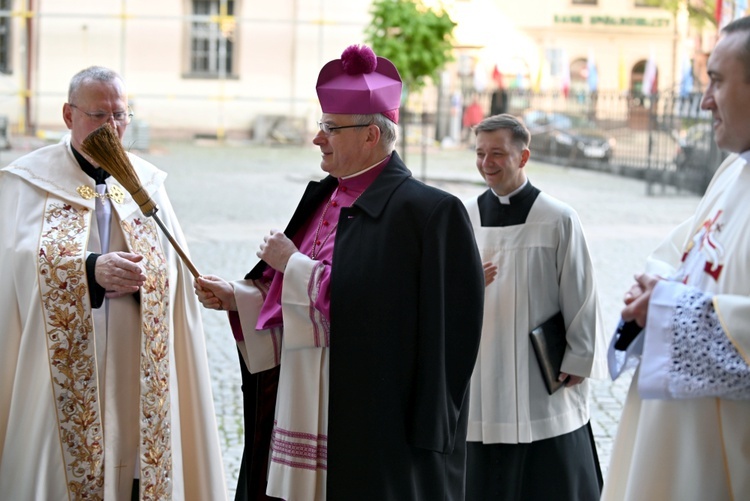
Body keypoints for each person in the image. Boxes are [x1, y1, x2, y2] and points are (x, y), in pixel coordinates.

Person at [195, 44, 485, 501]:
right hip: (300, 397)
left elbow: (395, 319)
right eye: (320, 126)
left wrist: (291, 263)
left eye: (330, 128)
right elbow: (300, 293)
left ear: (371, 135)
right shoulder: (323, 197)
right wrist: (240, 296)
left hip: (372, 418)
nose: (318, 139)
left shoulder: (429, 212)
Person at [0, 66, 227, 500]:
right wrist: (89, 270)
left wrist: (150, 276)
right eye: (99, 116)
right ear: (69, 115)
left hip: (135, 362)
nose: (113, 127)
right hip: (59, 370)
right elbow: (13, 263)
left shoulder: (148, 183)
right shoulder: (28, 182)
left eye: (120, 116)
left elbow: (171, 268)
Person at [602, 16, 750, 500]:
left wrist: (671, 311)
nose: (705, 100)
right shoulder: (733, 170)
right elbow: (686, 256)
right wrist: (651, 291)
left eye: (718, 81)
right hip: (671, 440)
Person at [464, 113, 607, 501]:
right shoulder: (465, 217)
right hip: (483, 365)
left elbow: (581, 291)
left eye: (497, 153)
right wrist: (467, 282)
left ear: (523, 156)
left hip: (538, 370)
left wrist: (579, 357)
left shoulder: (557, 217)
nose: (486, 163)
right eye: (479, 153)